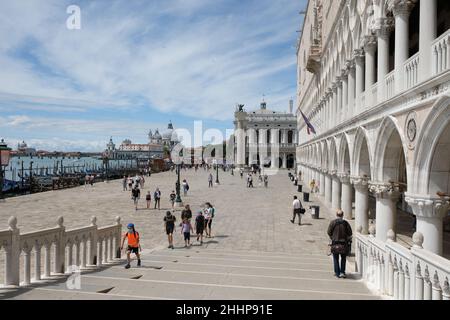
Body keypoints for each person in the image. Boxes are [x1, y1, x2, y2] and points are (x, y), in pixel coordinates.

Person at [327, 210, 353, 278]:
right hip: (344, 244)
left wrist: (332, 236)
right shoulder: (346, 223)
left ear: (336, 215)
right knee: (343, 258)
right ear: (342, 215)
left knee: (335, 258)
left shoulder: (333, 222)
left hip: (335, 243)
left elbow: (329, 232)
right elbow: (350, 233)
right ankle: (342, 272)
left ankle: (337, 272)